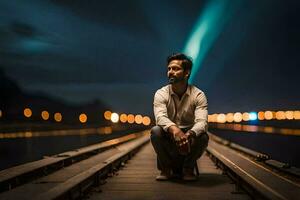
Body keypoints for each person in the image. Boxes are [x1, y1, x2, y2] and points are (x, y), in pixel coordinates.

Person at [151, 53, 209, 181]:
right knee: (155, 131)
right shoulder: (161, 93)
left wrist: (189, 134)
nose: (170, 72)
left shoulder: (198, 95)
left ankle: (188, 169)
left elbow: (202, 122)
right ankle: (166, 169)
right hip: (170, 135)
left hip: (188, 138)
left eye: (176, 69)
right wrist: (175, 130)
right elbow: (160, 117)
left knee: (203, 136)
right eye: (169, 69)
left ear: (187, 73)